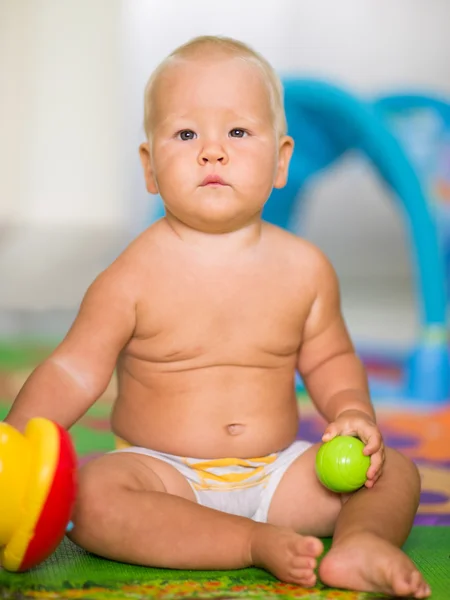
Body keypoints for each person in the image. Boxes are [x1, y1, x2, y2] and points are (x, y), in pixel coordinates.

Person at [4, 35, 429, 598]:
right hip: (164, 477)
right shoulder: (130, 277)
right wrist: (14, 447)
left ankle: (359, 544)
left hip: (278, 473)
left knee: (395, 474)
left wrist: (353, 413)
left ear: (281, 161)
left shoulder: (305, 269)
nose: (212, 152)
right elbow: (73, 372)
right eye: (186, 134)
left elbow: (329, 358)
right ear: (150, 167)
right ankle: (251, 543)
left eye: (237, 132)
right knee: (93, 496)